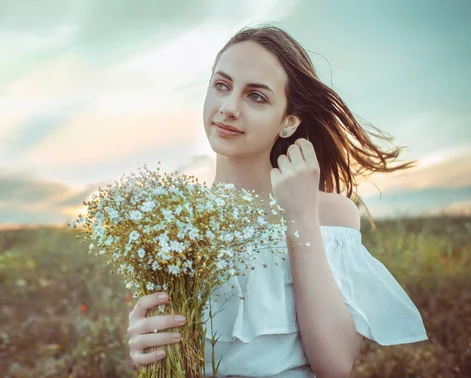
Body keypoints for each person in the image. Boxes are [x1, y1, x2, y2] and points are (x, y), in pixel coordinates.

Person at [126, 23, 428, 377]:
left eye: (256, 96)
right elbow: (169, 352)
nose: (228, 107)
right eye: (222, 85)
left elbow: (335, 366)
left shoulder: (331, 214)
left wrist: (299, 215)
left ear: (288, 122)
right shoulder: (171, 223)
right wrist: (143, 346)